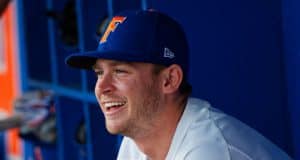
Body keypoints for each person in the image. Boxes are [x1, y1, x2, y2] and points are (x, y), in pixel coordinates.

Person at [66, 9, 292, 160]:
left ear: (169, 79)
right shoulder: (135, 145)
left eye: (120, 71)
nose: (101, 87)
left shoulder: (209, 150)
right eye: (99, 73)